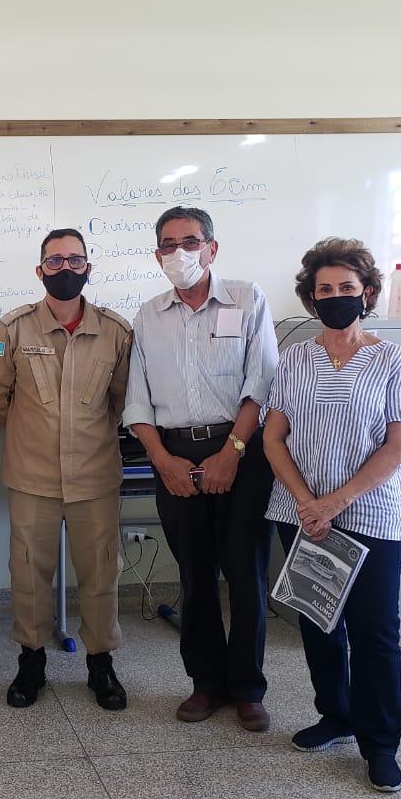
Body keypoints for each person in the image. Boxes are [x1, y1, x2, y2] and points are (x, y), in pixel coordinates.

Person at [262, 238, 401, 792]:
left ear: (368, 293)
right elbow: (273, 437)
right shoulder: (295, 359)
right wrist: (307, 501)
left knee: (375, 631)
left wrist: (335, 501)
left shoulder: (391, 359)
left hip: (373, 514)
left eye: (346, 289)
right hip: (301, 511)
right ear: (311, 297)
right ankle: (335, 715)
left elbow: (398, 445)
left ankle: (380, 744)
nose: (335, 297)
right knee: (318, 619)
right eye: (324, 290)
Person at [124, 206, 278, 731]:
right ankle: (205, 683)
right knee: (194, 578)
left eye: (190, 241)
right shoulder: (148, 315)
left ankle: (248, 687)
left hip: (239, 451)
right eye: (169, 244)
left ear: (213, 248)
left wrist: (232, 451)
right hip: (173, 454)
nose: (180, 253)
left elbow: (262, 384)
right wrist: (162, 461)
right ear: (157, 255)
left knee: (245, 574)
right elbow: (136, 401)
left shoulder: (248, 299)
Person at [0, 228, 133, 711]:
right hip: (33, 478)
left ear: (89, 268)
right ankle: (31, 662)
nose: (65, 269)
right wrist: (40, 435)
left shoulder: (116, 331)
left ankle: (100, 664)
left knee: (100, 573)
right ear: (40, 270)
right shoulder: (12, 330)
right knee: (29, 574)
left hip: (95, 477)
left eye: (75, 260)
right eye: (54, 262)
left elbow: (122, 403)